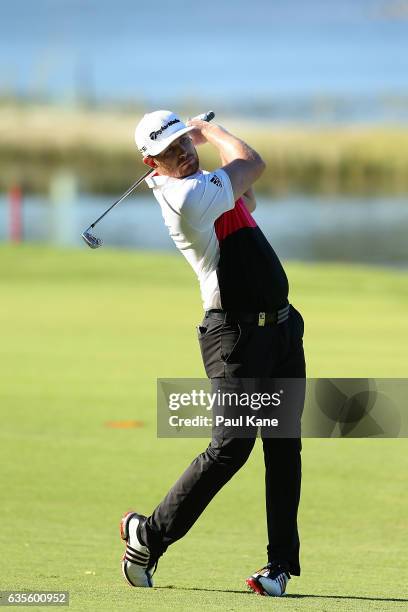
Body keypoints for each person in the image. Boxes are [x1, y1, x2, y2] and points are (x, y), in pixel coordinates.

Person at [120, 110, 306, 597]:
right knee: (230, 449)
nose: (182, 153)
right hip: (236, 338)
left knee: (284, 448)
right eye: (170, 151)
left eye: (184, 143)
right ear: (151, 163)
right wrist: (212, 133)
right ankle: (149, 535)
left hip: (281, 331)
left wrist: (201, 145)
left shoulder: (200, 181)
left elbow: (250, 192)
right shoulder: (186, 197)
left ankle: (280, 567)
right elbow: (253, 162)